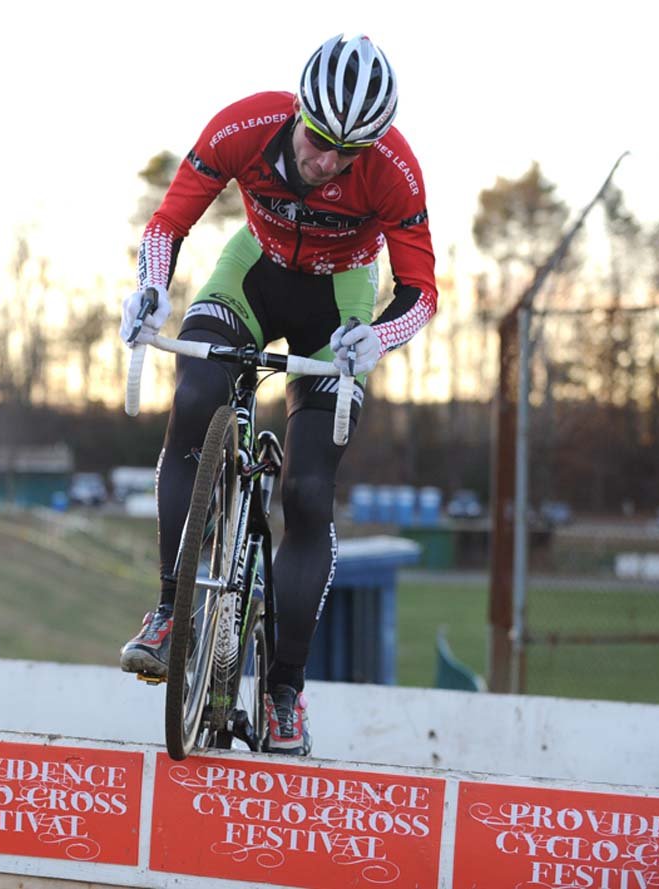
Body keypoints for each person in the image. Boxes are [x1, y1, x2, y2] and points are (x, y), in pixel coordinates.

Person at [117, 34, 437, 756]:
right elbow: (169, 222)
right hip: (253, 274)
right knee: (196, 393)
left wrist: (378, 338)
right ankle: (170, 612)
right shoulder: (245, 126)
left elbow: (421, 293)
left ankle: (285, 688)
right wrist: (148, 291)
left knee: (309, 493)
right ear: (299, 111)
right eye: (320, 140)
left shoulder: (393, 170)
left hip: (340, 305)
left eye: (346, 154)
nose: (328, 162)